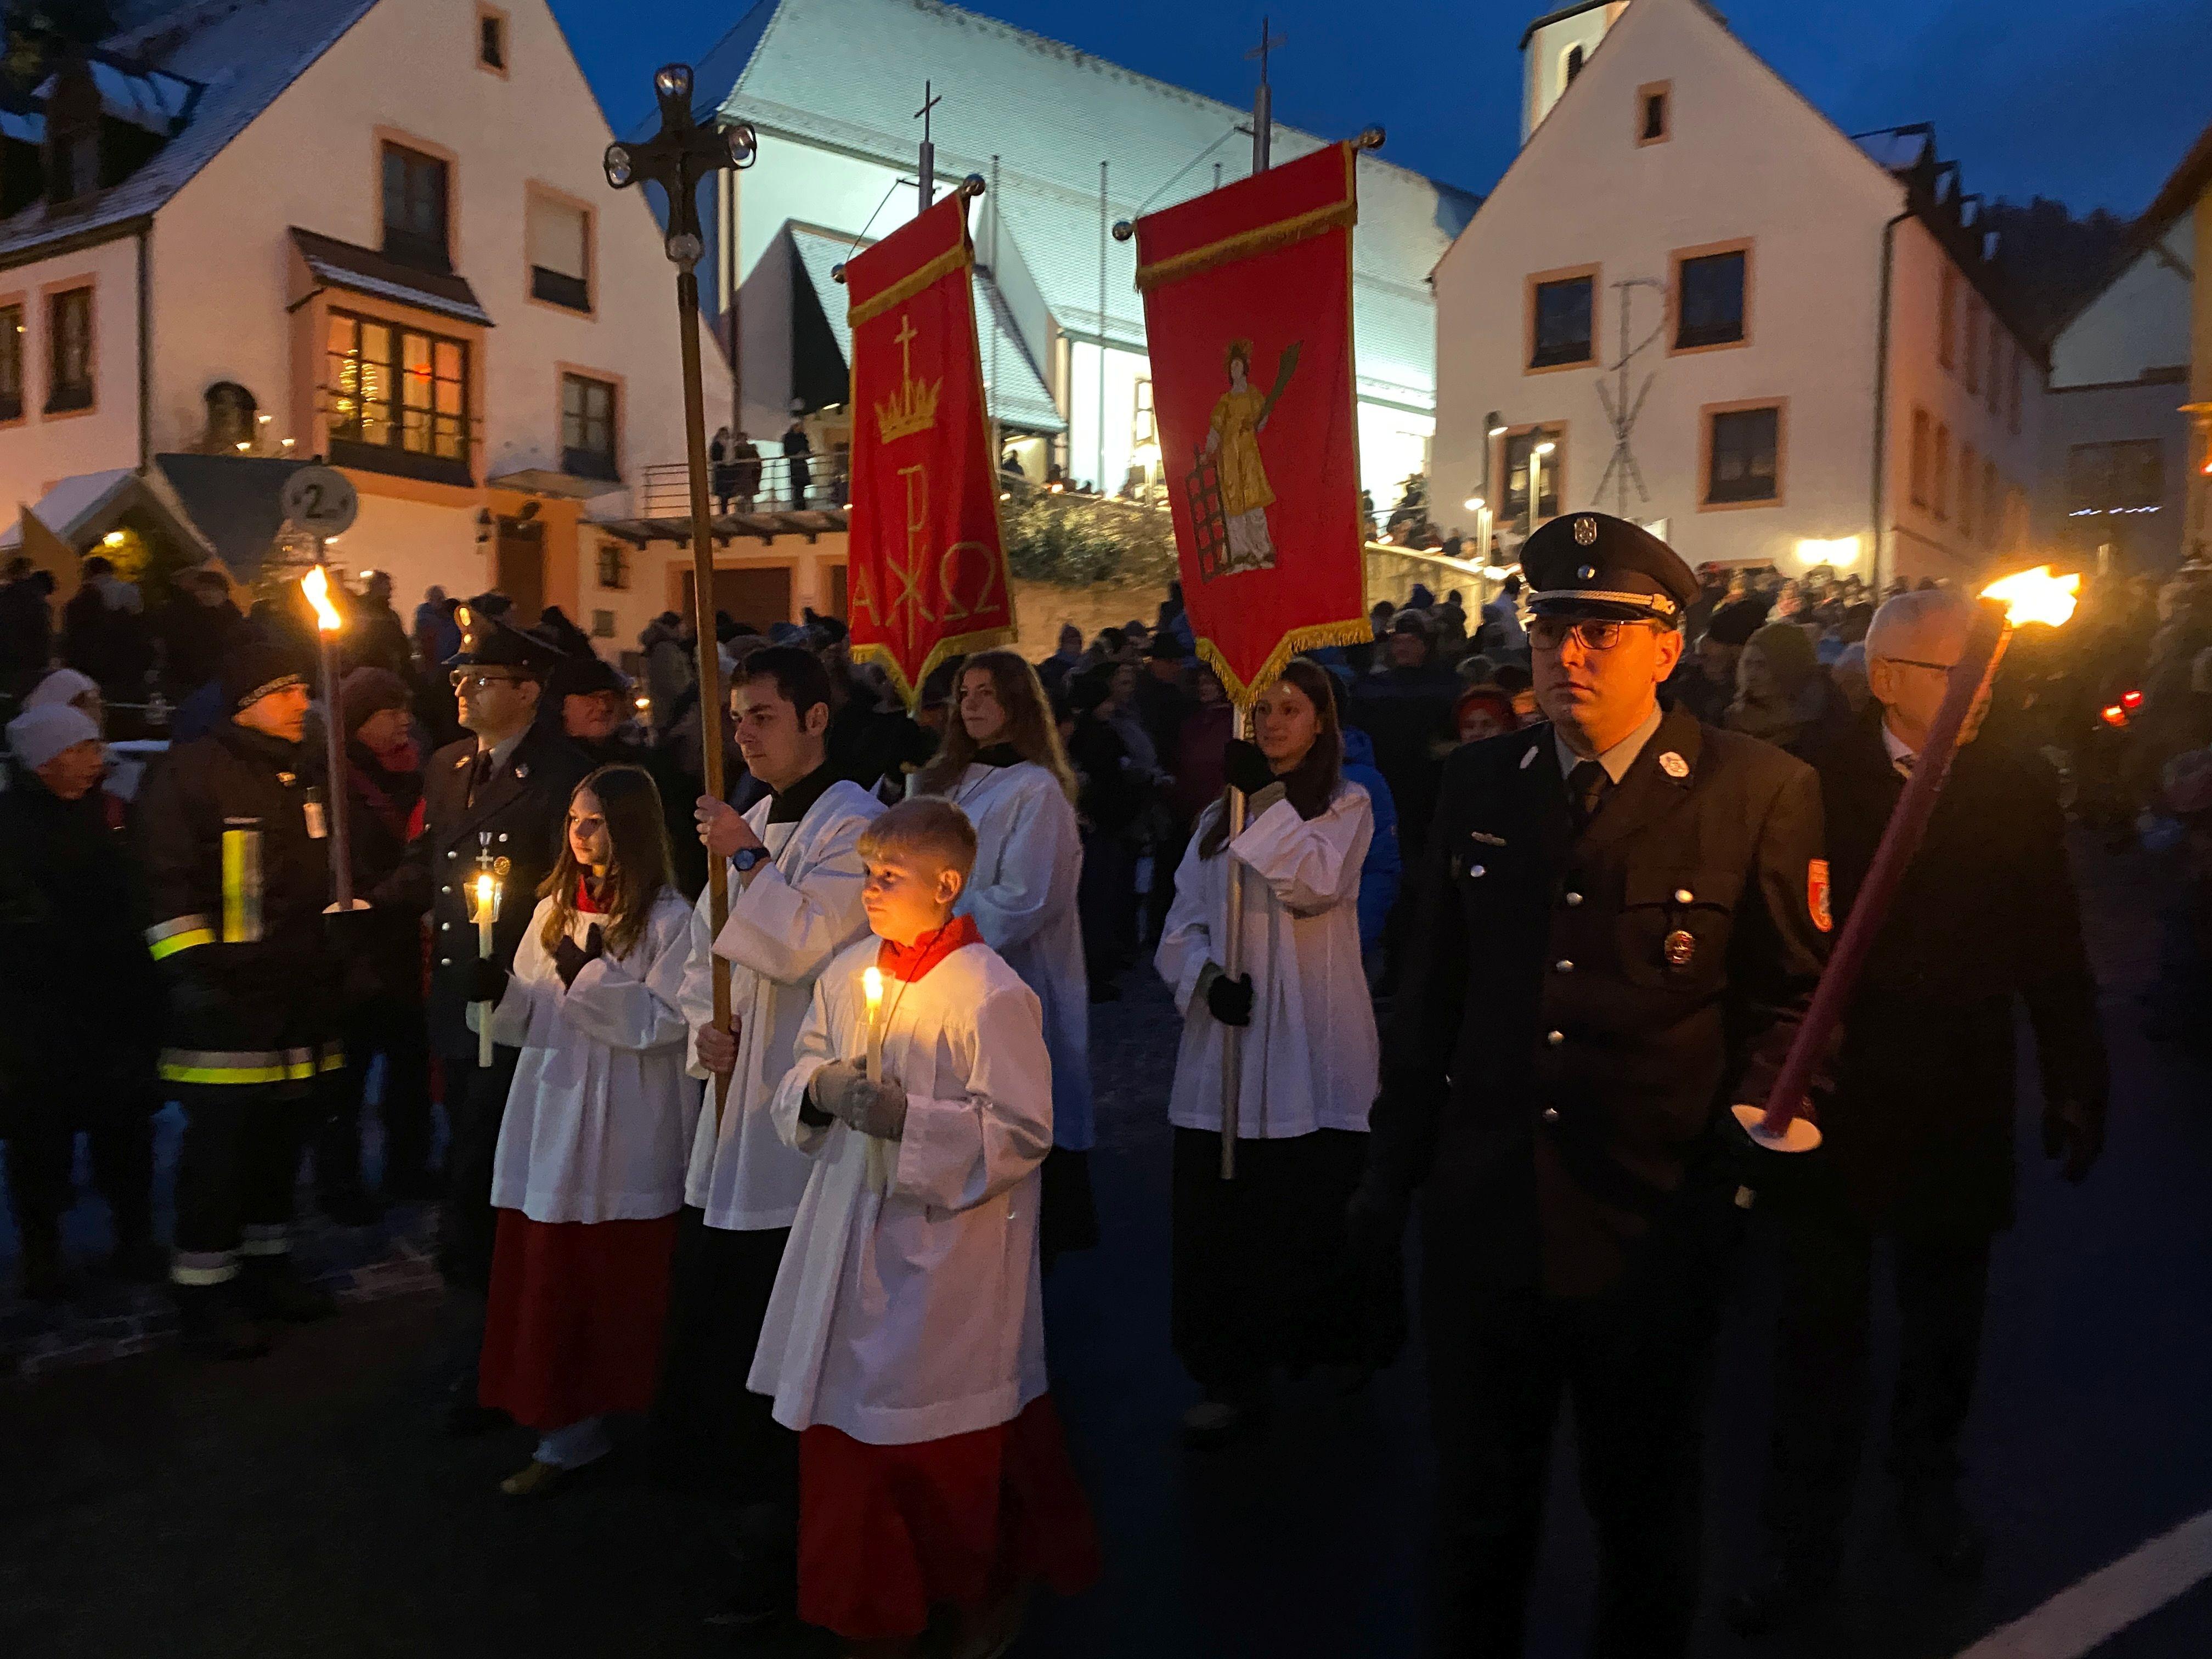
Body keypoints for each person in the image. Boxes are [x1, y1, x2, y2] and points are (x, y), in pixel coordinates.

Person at [1353, 512, 1830, 1657]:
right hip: (1486, 1226)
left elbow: (1794, 1004)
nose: (1569, 653)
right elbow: (1431, 1003)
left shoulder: (1758, 789)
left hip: (1652, 1231)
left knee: (1647, 1526)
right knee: (1475, 1523)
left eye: (1603, 631)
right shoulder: (1478, 781)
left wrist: (1755, 1150)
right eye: (1551, 626)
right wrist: (1386, 1185)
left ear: (1667, 649)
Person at [1730, 590, 2109, 1632]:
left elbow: (2052, 943)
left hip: (1956, 1089)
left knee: (1945, 1320)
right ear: (1891, 678)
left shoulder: (2015, 785)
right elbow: (1756, 937)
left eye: (1985, 673)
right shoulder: (1806, 775)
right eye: (1956, 674)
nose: (1979, 694)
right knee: (1819, 1330)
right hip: (1834, 1094)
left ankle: (1924, 1487)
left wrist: (2077, 1076)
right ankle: (1800, 1534)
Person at [748, 797, 1099, 1654]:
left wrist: (910, 1121)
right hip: (846, 1227)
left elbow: (1021, 1133)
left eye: (889, 878)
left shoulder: (989, 993)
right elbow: (804, 1064)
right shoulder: (847, 970)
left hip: (943, 1254)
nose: (869, 891)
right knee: (850, 1424)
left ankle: (965, 1593)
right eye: (867, 874)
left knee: (927, 1427)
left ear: (947, 884)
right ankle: (866, 1602)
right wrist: (823, 1089)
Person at [659, 644, 880, 1628]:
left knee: (787, 1330)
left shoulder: (856, 825)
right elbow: (697, 955)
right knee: (728, 1321)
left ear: (817, 717)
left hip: (800, 1119)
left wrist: (747, 851)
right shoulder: (754, 824)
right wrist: (699, 1024)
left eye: (761, 716)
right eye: (737, 717)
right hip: (737, 1100)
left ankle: (795, 1534)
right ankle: (744, 1511)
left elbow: (801, 942)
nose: (742, 734)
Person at [1156, 659, 1379, 1442]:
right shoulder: (1219, 816)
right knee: (1220, 1222)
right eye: (1262, 712)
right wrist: (1205, 978)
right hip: (1229, 1046)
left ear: (1322, 723)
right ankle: (1229, 1371)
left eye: (1291, 709)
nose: (1275, 723)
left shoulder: (1346, 805)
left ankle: (1336, 1343)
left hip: (1308, 1046)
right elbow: (1179, 922)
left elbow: (1313, 883)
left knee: (1309, 1212)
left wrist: (1268, 802)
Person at [475, 766, 699, 1498]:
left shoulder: (670, 919)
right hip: (553, 1104)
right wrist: (496, 995)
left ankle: (648, 1418)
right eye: (574, 818)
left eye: (596, 820)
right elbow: (523, 1017)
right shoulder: (551, 913)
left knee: (623, 1279)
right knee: (552, 1275)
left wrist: (590, 978)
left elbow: (673, 1025)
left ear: (630, 828)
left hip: (627, 1118)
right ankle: (564, 1434)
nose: (580, 833)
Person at [137, 640, 351, 1357]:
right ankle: (204, 1295)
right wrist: (195, 977)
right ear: (247, 702)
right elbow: (168, 884)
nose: (304, 704)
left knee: (277, 1152)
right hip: (224, 1012)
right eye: (287, 691)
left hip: (295, 1008)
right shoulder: (190, 776)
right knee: (218, 1160)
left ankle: (268, 1271)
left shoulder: (303, 775)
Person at [400, 617, 589, 1427]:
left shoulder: (565, 777)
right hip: (458, 999)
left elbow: (576, 895)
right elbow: (434, 867)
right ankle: (473, 1336)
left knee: (489, 1179)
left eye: (479, 678)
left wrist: (521, 969)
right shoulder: (448, 768)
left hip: (520, 1007)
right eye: (456, 678)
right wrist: (366, 900)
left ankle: (494, 1353)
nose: (460, 690)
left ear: (526, 690)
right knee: (462, 1159)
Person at [915, 651, 1094, 1257]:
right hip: (935, 975)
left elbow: (1024, 898)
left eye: (988, 693)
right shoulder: (943, 783)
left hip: (1007, 977)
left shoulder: (1036, 790)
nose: (972, 703)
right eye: (965, 693)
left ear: (1018, 703)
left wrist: (929, 926)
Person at [0, 704, 160, 1300]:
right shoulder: (13, 827)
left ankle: (134, 1238)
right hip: (41, 1012)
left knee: (125, 1131)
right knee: (41, 1142)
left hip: (113, 1006)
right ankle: (43, 1256)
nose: (99, 762)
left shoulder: (109, 816)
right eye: (85, 749)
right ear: (46, 761)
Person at [318, 667, 435, 1221]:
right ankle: (339, 1185)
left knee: (409, 1069)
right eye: (390, 712)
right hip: (355, 951)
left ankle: (407, 1168)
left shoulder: (416, 773)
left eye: (404, 710)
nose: (402, 722)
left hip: (404, 942)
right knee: (347, 1078)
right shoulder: (332, 780)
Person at [549, 650, 705, 900]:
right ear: (563, 705)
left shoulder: (651, 767)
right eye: (591, 698)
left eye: (611, 697)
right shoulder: (549, 768)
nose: (604, 706)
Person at [1726, 619, 1850, 758]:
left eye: (1762, 665)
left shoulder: (1827, 720)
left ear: (1788, 666)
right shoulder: (1736, 718)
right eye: (1748, 664)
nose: (1752, 675)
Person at [0, 555, 55, 692]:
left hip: (7, 662)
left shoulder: (6, 597)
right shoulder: (36, 599)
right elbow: (43, 632)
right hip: (34, 664)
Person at [782, 420, 813, 507]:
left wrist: (806, 454)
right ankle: (798, 504)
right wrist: (798, 454)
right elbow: (787, 452)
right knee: (797, 485)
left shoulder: (802, 437)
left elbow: (807, 450)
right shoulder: (789, 438)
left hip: (802, 463)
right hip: (795, 464)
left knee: (801, 485)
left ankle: (801, 503)